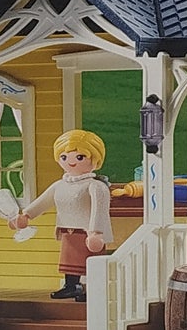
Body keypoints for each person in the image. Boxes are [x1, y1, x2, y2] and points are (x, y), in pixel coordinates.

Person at [12, 129, 113, 301]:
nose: (71, 162)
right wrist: (27, 215)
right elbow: (44, 201)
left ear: (95, 159)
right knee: (70, 260)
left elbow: (99, 210)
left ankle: (93, 289)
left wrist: (96, 231)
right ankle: (71, 286)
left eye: (80, 157)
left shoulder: (95, 186)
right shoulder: (60, 185)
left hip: (87, 231)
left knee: (90, 261)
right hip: (68, 229)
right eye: (64, 157)